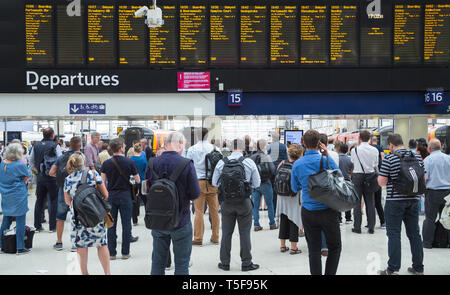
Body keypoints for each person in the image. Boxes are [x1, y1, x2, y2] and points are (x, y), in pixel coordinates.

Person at [147, 132, 201, 275]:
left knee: (157, 262)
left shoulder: (152, 163)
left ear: (165, 145)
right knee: (182, 264)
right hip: (181, 221)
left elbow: (147, 191)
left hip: (157, 220)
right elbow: (195, 194)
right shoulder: (187, 164)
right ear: (180, 145)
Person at [291, 130, 341, 275]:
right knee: (335, 247)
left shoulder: (298, 164)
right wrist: (326, 153)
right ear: (320, 143)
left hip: (308, 211)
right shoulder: (327, 160)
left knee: (313, 249)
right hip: (328, 209)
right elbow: (339, 179)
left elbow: (294, 188)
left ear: (303, 143)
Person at [378, 134, 424, 275]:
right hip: (414, 200)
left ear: (391, 145)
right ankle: (418, 268)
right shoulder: (417, 157)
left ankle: (393, 269)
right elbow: (424, 178)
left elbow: (382, 182)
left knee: (394, 234)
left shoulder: (390, 158)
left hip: (394, 202)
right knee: (414, 234)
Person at [212, 138, 261, 272]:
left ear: (230, 147)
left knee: (226, 233)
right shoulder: (249, 162)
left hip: (227, 203)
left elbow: (214, 183)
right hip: (244, 202)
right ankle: (246, 263)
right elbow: (257, 184)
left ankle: (225, 263)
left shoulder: (222, 162)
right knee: (244, 233)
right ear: (243, 147)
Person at [63, 152, 110, 275]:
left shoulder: (68, 179)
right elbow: (105, 195)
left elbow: (68, 201)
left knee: (81, 247)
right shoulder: (93, 174)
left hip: (79, 218)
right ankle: (107, 273)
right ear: (83, 162)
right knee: (101, 244)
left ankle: (85, 273)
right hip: (96, 215)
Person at [101, 138, 140, 260]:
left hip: (111, 196)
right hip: (126, 196)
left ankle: (112, 253)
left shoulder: (106, 164)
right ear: (121, 148)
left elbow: (102, 182)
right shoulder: (129, 162)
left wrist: (106, 195)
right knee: (126, 225)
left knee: (111, 225)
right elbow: (138, 180)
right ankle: (125, 252)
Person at [186, 128, 221, 246]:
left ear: (196, 136)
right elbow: (220, 165)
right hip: (212, 182)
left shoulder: (191, 149)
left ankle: (198, 238)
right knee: (214, 211)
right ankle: (215, 237)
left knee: (199, 211)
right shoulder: (215, 148)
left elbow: (188, 166)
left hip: (197, 183)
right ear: (207, 136)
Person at [49, 136, 82, 251]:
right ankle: (76, 242)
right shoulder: (81, 157)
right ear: (80, 146)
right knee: (78, 215)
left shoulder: (62, 157)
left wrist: (60, 178)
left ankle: (59, 242)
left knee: (60, 216)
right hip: (79, 190)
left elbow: (51, 172)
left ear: (69, 145)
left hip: (63, 189)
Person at [0, 143, 32, 254]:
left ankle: (1, 245)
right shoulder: (19, 165)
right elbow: (27, 176)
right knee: (20, 221)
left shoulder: (2, 163)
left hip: (5, 195)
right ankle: (20, 247)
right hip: (18, 195)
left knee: (6, 220)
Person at [30, 127, 63, 233]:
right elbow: (60, 161)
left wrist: (38, 173)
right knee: (53, 201)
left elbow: (31, 162)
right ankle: (52, 226)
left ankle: (37, 226)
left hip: (40, 178)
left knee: (39, 201)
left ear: (43, 135)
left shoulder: (36, 146)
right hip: (52, 179)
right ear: (52, 135)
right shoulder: (55, 145)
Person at [422, 139, 450, 249]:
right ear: (441, 147)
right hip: (448, 193)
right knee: (447, 217)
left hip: (433, 193)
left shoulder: (428, 160)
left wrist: (422, 191)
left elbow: (424, 178)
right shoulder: (448, 158)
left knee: (430, 218)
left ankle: (427, 243)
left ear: (429, 149)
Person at [276, 144, 303, 255]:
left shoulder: (282, 164)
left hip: (281, 196)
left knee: (284, 219)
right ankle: (293, 247)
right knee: (294, 219)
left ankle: (282, 246)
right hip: (293, 196)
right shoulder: (298, 166)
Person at [350, 130, 379, 234]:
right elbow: (375, 164)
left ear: (360, 138)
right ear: (369, 139)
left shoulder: (355, 150)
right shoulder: (374, 150)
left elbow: (353, 162)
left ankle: (357, 227)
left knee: (357, 202)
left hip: (357, 176)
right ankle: (371, 227)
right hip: (370, 177)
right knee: (370, 202)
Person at [250, 139, 277, 231]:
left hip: (255, 185)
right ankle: (272, 224)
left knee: (256, 206)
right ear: (264, 147)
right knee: (270, 204)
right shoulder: (267, 157)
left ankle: (256, 224)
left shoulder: (252, 157)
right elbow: (272, 170)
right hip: (266, 183)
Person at [267, 132, 288, 216]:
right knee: (281, 190)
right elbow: (286, 158)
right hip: (281, 171)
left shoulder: (269, 147)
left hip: (271, 172)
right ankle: (282, 209)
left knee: (272, 191)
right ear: (279, 138)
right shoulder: (284, 147)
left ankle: (274, 209)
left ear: (273, 138)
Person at [129, 142, 148, 226]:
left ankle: (134, 220)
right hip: (143, 181)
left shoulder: (130, 159)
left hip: (133, 182)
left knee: (135, 201)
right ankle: (147, 219)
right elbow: (147, 170)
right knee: (146, 201)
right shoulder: (144, 160)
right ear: (141, 150)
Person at [371, 136, 386, 229]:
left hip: (369, 177)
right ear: (376, 141)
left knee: (370, 202)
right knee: (378, 202)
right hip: (378, 175)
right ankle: (383, 221)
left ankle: (370, 223)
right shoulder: (380, 148)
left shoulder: (369, 149)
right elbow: (383, 159)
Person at [337, 143, 353, 224]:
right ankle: (348, 218)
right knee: (348, 200)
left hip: (338, 181)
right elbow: (352, 172)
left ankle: (339, 219)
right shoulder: (350, 159)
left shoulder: (336, 158)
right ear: (347, 150)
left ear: (339, 149)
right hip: (347, 180)